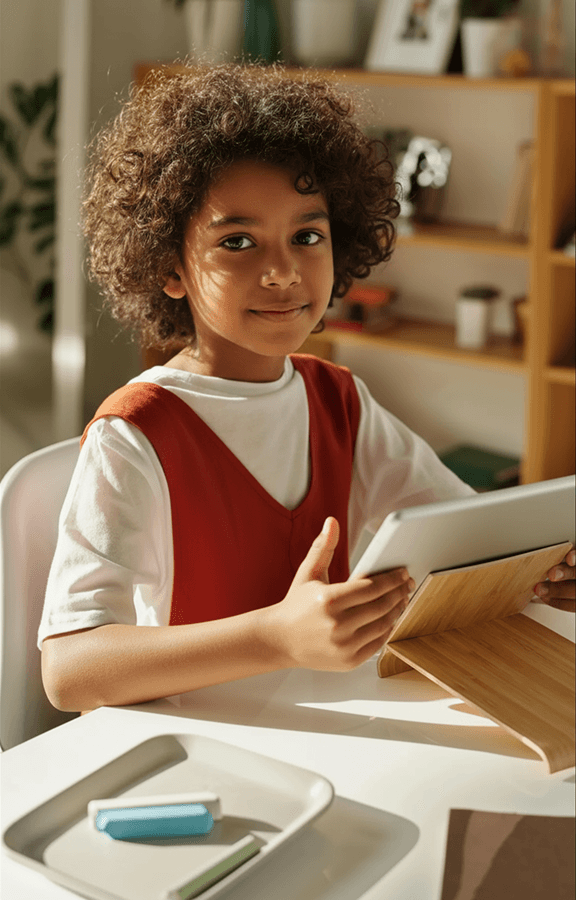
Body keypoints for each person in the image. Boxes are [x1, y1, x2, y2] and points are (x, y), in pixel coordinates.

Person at [39, 64, 574, 713]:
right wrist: (275, 637)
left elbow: (468, 545)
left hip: (331, 729)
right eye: (238, 241)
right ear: (169, 268)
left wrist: (543, 573)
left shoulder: (340, 401)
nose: (283, 271)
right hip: (198, 747)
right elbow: (70, 672)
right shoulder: (136, 432)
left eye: (307, 235)